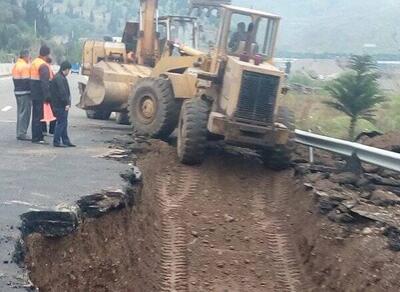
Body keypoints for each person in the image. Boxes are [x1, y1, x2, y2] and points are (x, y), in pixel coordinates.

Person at [30, 45, 54, 144]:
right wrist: (47, 96)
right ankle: (38, 138)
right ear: (47, 54)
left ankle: (36, 136)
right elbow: (45, 83)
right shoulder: (43, 65)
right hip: (40, 94)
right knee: (39, 116)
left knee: (35, 116)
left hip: (34, 92)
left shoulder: (34, 62)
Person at [50, 61, 76, 148]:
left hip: (59, 104)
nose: (69, 72)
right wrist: (66, 103)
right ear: (66, 69)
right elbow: (62, 92)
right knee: (61, 123)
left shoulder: (59, 77)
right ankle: (56, 141)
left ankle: (65, 140)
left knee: (64, 123)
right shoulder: (59, 78)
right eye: (69, 70)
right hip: (60, 105)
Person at [12, 49, 31, 141]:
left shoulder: (16, 65)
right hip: (25, 93)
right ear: (25, 56)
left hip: (17, 92)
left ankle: (19, 132)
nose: (29, 58)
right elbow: (27, 81)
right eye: (29, 56)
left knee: (20, 113)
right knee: (25, 114)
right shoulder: (24, 66)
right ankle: (22, 133)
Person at [41, 57, 56, 136]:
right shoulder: (49, 69)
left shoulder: (43, 67)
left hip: (43, 94)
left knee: (42, 113)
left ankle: (43, 130)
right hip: (50, 94)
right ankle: (52, 130)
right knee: (53, 113)